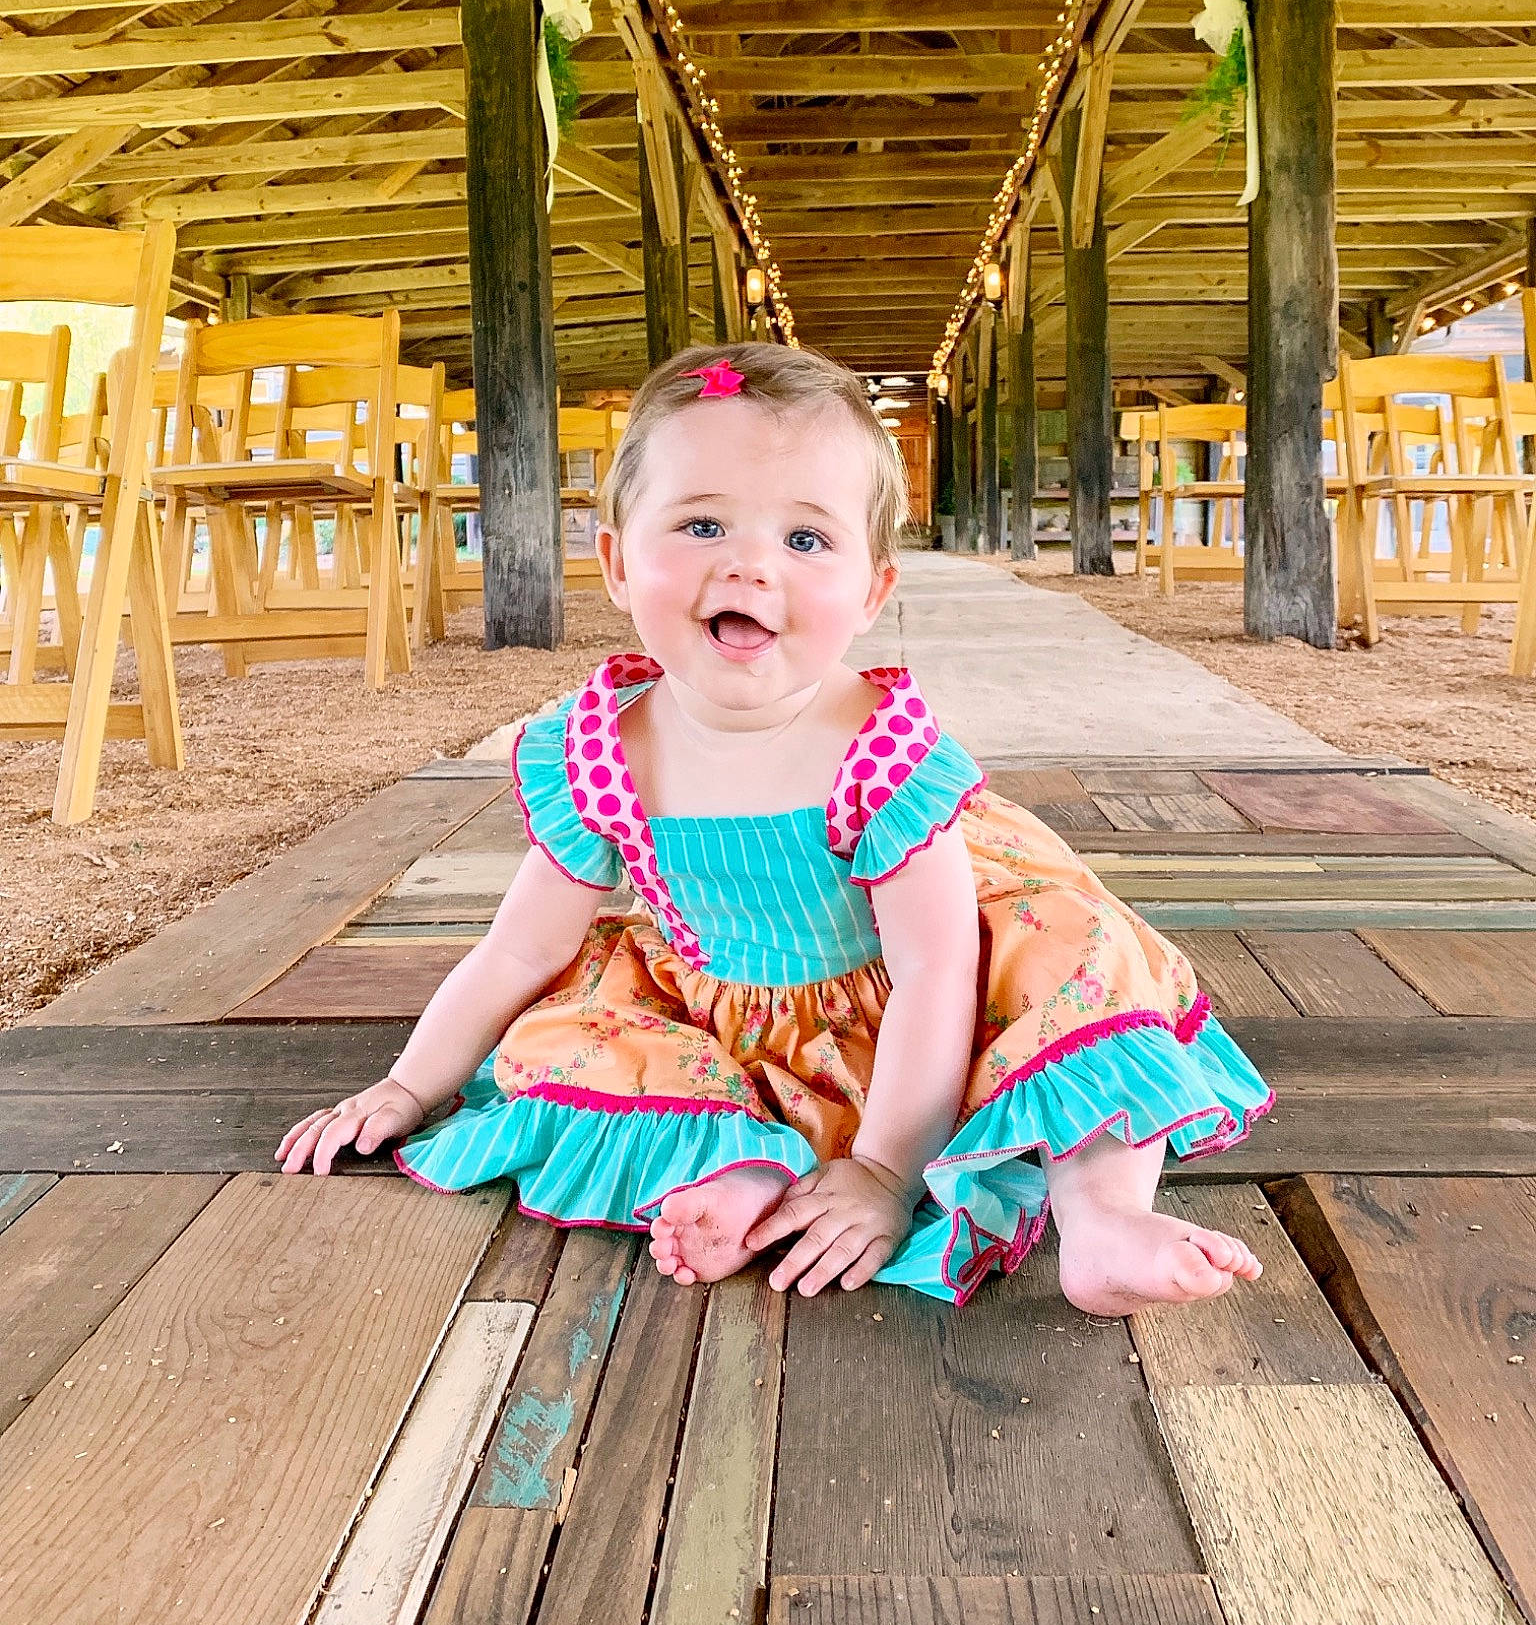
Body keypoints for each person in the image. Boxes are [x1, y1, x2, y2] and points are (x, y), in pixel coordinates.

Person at [276, 343, 1268, 1312]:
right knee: (559, 1035)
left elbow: (939, 974)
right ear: (617, 561)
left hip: (935, 1001)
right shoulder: (600, 750)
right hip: (733, 1006)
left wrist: (885, 1172)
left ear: (872, 591)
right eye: (702, 524)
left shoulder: (879, 753)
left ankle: (1100, 1214)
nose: (750, 564)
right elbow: (518, 949)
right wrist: (406, 1087)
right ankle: (746, 1169)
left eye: (804, 539)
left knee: (1084, 962)